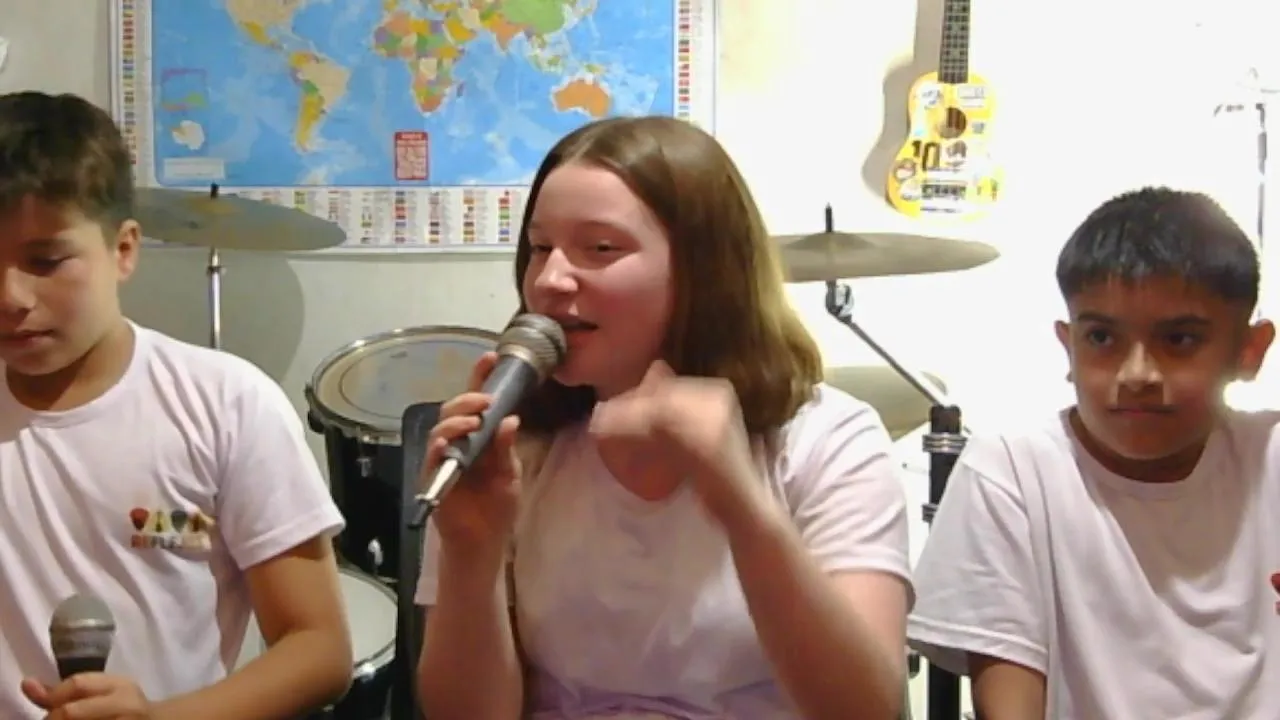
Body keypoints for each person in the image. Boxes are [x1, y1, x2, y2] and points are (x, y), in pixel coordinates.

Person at [413, 115, 913, 719]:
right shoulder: (514, 447)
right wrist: (471, 553)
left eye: (600, 249)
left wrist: (739, 502)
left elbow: (867, 709)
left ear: (704, 271)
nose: (549, 281)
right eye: (540, 248)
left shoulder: (830, 439)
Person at [0, 91, 352, 719]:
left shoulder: (227, 404)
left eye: (46, 261)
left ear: (124, 249)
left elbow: (319, 649)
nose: (11, 296)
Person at [907, 187, 1280, 718]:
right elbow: (1010, 707)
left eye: (1179, 340)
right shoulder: (1012, 474)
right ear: (1068, 345)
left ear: (1249, 350)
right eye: (1102, 338)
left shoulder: (1269, 459)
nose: (1136, 374)